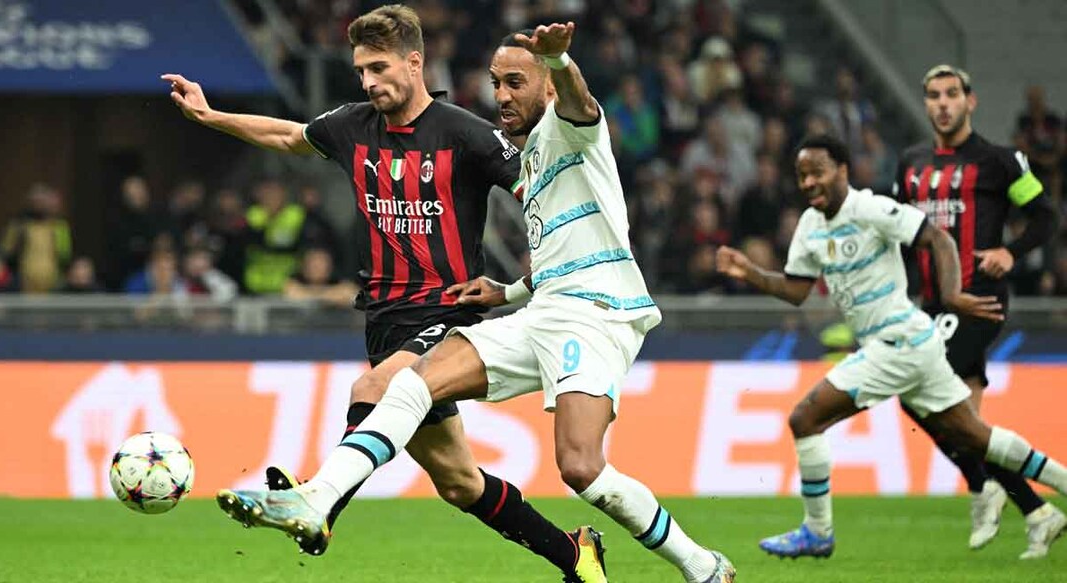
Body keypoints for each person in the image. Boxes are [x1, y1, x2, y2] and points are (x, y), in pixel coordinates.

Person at [214, 22, 736, 583]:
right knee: (417, 395)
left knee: (581, 468)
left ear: (549, 88)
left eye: (516, 82)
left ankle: (702, 566)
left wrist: (560, 61)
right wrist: (509, 291)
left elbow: (582, 104)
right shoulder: (529, 151)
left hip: (596, 314)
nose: (503, 95)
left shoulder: (574, 129)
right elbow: (560, 246)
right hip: (540, 312)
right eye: (496, 83)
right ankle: (321, 501)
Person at [163, 5, 604, 582]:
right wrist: (210, 116)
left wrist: (525, 285)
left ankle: (320, 503)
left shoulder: (466, 133)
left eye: (378, 67)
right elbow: (290, 136)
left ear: (414, 62)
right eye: (361, 71)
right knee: (458, 482)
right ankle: (576, 555)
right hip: (385, 320)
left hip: (448, 314)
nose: (369, 82)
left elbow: (543, 197)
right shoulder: (351, 125)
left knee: (372, 387)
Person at [714, 133, 1067, 559]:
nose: (808, 182)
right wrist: (750, 272)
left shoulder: (871, 208)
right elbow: (796, 290)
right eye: (802, 175)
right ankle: (1050, 501)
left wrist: (952, 294)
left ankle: (818, 531)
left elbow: (937, 238)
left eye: (817, 172)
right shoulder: (810, 224)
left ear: (842, 171)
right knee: (978, 437)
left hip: (897, 342)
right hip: (912, 345)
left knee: (805, 419)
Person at [892, 65, 1063, 559]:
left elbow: (1047, 215)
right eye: (933, 96)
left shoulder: (999, 161)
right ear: (925, 104)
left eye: (951, 94)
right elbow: (900, 231)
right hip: (931, 305)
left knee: (911, 392)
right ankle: (1037, 511)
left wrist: (1013, 251)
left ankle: (981, 485)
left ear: (971, 101)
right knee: (966, 424)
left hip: (979, 297)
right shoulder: (910, 163)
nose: (942, 103)